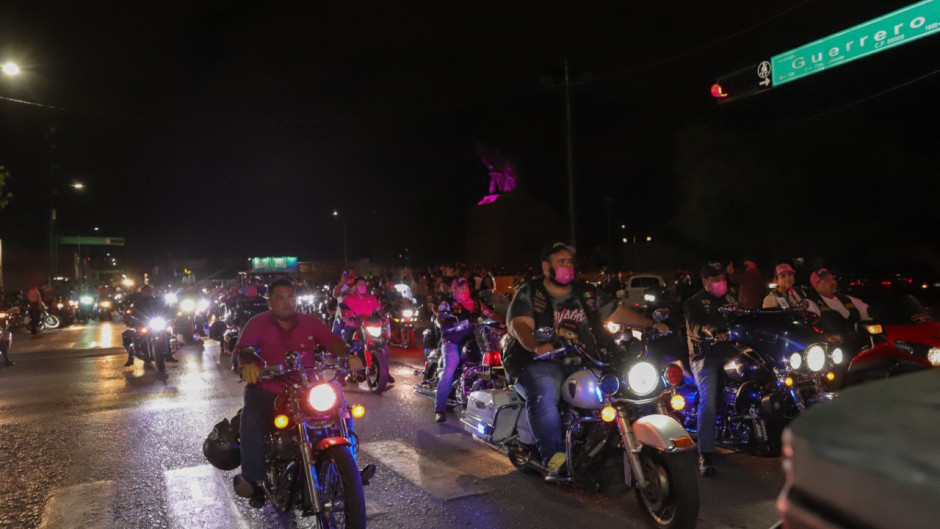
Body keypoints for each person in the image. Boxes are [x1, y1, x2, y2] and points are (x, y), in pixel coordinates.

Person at [505, 242, 664, 474]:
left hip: (584, 358)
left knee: (620, 384)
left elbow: (617, 312)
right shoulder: (531, 293)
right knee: (545, 389)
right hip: (537, 361)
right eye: (561, 261)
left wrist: (651, 325)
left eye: (570, 261)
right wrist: (536, 345)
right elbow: (519, 324)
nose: (568, 266)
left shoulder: (586, 292)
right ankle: (553, 454)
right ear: (546, 266)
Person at [232, 278, 348, 509]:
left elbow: (332, 341)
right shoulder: (257, 323)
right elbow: (243, 349)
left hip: (306, 387)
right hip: (268, 388)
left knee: (340, 406)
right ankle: (253, 478)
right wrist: (247, 364)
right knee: (251, 416)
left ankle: (349, 465)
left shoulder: (310, 322)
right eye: (281, 298)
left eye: (291, 298)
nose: (287, 303)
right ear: (270, 302)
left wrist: (349, 354)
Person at [683, 264, 739, 477]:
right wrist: (712, 330)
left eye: (722, 278)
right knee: (709, 400)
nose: (720, 283)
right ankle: (705, 452)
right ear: (705, 282)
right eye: (715, 280)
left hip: (734, 354)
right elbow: (695, 326)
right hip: (705, 356)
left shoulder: (730, 300)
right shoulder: (694, 303)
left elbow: (746, 316)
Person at [432, 277, 500, 422]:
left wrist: (503, 320)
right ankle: (440, 409)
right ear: (453, 289)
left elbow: (489, 313)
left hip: (474, 340)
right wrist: (456, 324)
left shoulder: (475, 303)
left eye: (466, 289)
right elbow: (440, 321)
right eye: (460, 289)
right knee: (449, 369)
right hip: (453, 340)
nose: (464, 292)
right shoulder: (447, 304)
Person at [803, 267, 870, 342]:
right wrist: (826, 337)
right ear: (817, 285)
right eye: (827, 280)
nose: (832, 282)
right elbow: (810, 327)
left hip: (860, 344)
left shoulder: (847, 299)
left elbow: (867, 312)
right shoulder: (811, 303)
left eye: (832, 279)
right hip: (836, 349)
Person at [123, 285, 178, 366]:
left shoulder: (158, 301)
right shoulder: (137, 303)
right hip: (144, 323)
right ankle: (131, 356)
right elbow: (132, 313)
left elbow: (167, 309)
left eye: (149, 291)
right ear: (142, 292)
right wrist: (133, 320)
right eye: (146, 291)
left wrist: (171, 316)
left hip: (157, 321)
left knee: (166, 334)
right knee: (137, 336)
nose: (148, 292)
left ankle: (169, 355)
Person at [331, 268, 356, 334]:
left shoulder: (358, 287)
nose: (350, 278)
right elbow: (335, 294)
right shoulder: (341, 287)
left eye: (352, 276)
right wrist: (342, 283)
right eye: (347, 276)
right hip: (341, 319)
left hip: (356, 319)